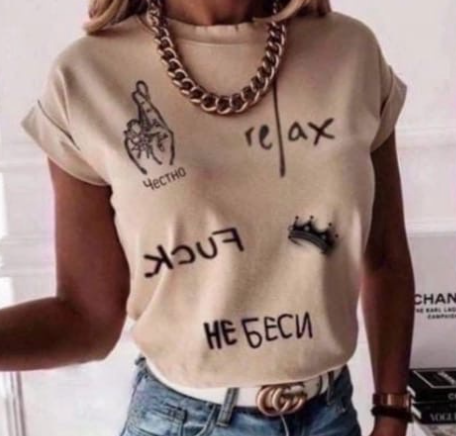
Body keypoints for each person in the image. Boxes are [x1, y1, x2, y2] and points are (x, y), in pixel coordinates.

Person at [1, 0, 415, 435]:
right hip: (186, 422)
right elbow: (88, 319)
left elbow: (386, 257)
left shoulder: (350, 52)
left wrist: (392, 413)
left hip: (330, 416)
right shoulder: (87, 76)